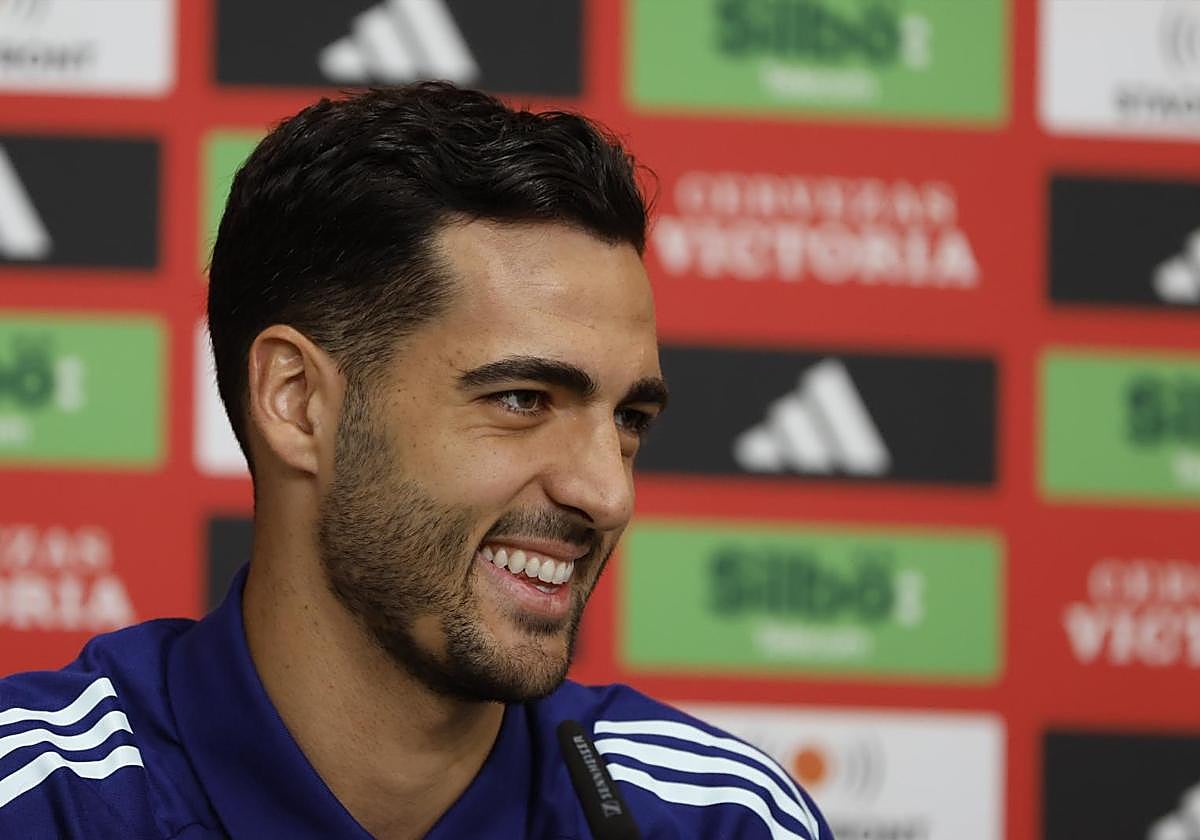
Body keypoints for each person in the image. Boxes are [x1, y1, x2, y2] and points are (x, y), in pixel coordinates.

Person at [0, 83, 831, 840]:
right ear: (296, 400)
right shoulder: (42, 804)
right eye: (521, 399)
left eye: (629, 419)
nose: (606, 492)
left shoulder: (718, 820)